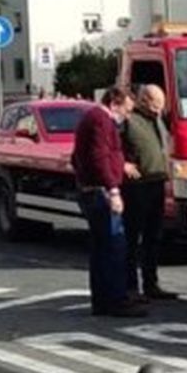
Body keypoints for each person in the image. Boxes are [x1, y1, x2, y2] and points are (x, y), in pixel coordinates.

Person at [71, 85, 141, 317]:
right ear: (114, 104)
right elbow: (99, 157)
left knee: (101, 248)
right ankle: (115, 300)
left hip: (91, 188)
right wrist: (113, 190)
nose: (127, 116)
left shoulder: (92, 118)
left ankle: (102, 301)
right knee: (113, 246)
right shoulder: (101, 120)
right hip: (100, 192)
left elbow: (86, 156)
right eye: (127, 110)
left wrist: (120, 164)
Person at [121, 82, 175, 301]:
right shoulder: (128, 121)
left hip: (157, 182)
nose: (159, 109)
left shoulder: (159, 120)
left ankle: (151, 283)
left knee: (154, 236)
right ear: (143, 101)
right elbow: (115, 147)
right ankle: (131, 286)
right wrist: (123, 164)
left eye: (161, 105)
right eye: (155, 104)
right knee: (133, 237)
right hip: (136, 186)